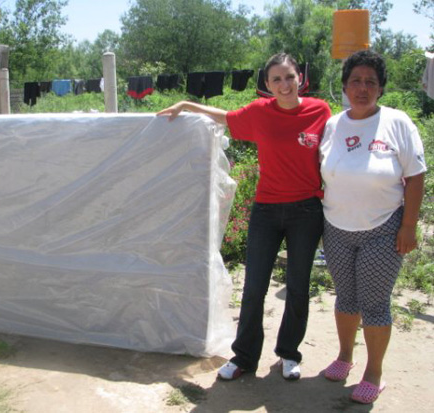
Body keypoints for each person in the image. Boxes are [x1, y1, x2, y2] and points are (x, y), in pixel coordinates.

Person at [157, 53, 331, 380]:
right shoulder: (259, 113)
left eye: (289, 77)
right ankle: (244, 358)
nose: (284, 85)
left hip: (307, 211)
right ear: (267, 85)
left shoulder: (319, 110)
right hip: (266, 210)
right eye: (276, 79)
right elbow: (224, 116)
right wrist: (186, 104)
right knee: (254, 287)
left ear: (300, 78)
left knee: (297, 286)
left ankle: (289, 354)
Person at [320, 50, 426, 404]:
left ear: (381, 88)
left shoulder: (397, 123)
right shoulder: (334, 124)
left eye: (370, 82)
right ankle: (345, 357)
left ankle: (373, 372)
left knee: (375, 303)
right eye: (355, 81)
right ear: (345, 86)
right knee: (346, 298)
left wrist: (408, 226)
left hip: (383, 230)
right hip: (336, 227)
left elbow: (415, 177)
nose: (362, 88)